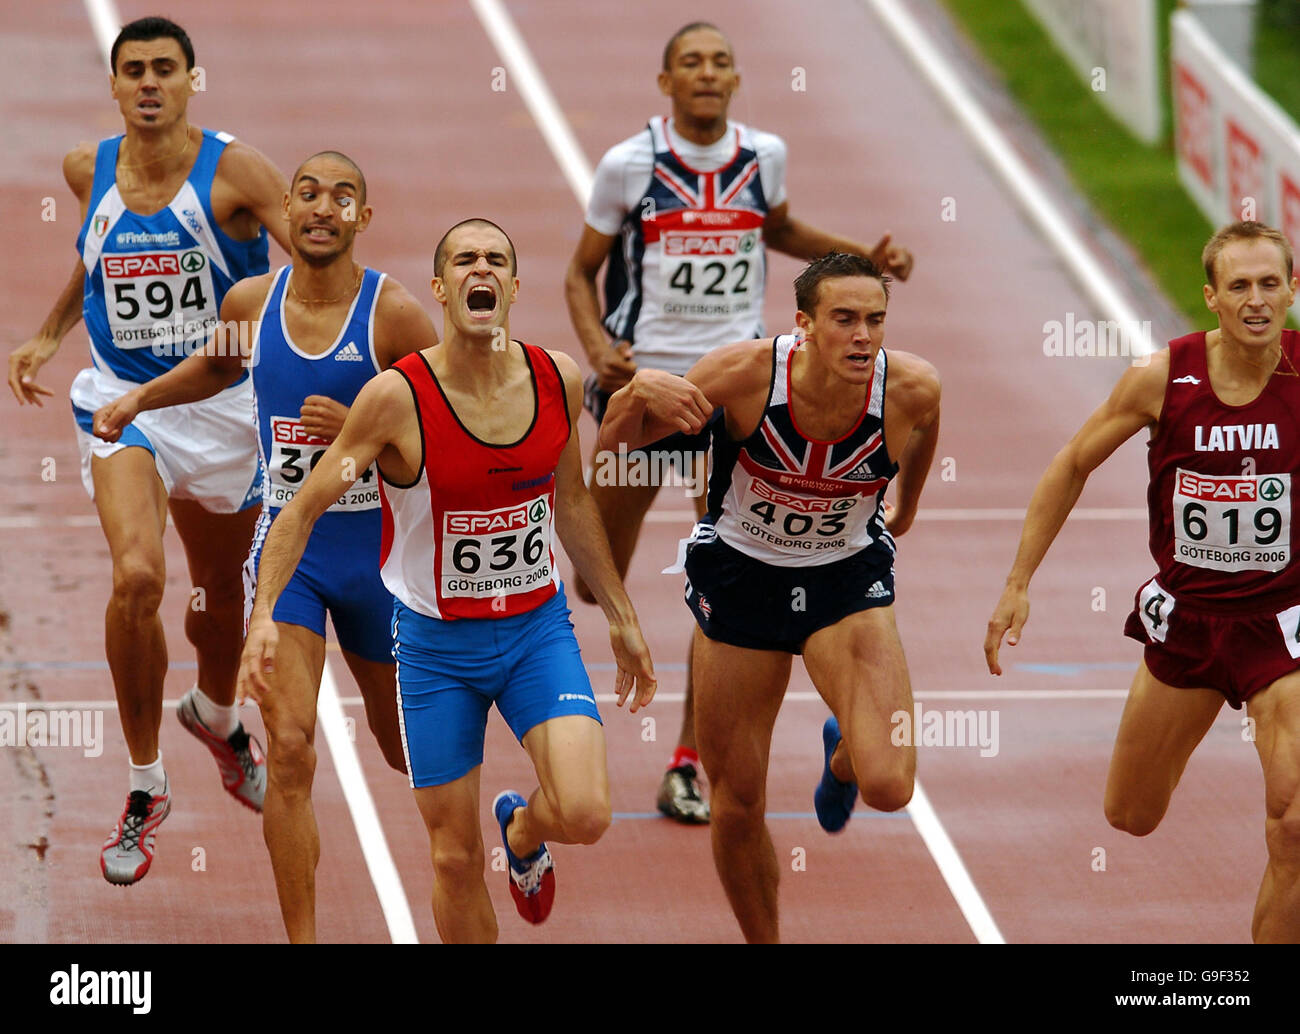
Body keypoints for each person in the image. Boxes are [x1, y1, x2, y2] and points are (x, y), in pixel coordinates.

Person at [238, 218, 657, 942]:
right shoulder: (395, 400)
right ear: (440, 287)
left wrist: (620, 613)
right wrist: (263, 614)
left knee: (586, 812)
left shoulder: (557, 377)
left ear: (514, 287)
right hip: (436, 650)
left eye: (496, 259)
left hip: (536, 633)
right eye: (464, 260)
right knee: (455, 858)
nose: (480, 270)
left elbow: (573, 499)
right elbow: (301, 508)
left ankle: (524, 832)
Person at [565, 20, 916, 823]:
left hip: (734, 396)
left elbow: (780, 230)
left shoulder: (764, 155)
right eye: (690, 61)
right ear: (667, 82)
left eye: (721, 62)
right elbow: (579, 274)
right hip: (654, 388)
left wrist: (864, 258)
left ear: (734, 79)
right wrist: (601, 353)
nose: (708, 73)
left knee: (720, 567)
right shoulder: (630, 165)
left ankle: (688, 761)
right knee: (591, 579)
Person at [94, 151, 439, 940]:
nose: (323, 208)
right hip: (294, 561)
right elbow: (215, 366)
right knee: (289, 749)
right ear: (289, 209)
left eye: (342, 196)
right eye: (308, 194)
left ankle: (499, 830)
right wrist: (140, 398)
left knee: (405, 754)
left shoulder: (396, 317)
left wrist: (362, 437)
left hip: (381, 564)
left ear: (363, 218)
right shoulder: (254, 299)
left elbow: (442, 430)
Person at [6, 16, 291, 885]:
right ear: (116, 85)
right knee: (137, 578)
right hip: (124, 407)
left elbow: (314, 262)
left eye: (166, 69)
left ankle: (214, 715)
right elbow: (97, 259)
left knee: (220, 614)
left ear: (192, 81)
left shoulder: (236, 174)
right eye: (133, 71)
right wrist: (50, 336)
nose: (149, 83)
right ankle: (144, 785)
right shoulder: (87, 170)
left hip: (226, 407)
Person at [599, 251, 941, 943]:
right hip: (742, 580)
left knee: (889, 785)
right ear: (804, 324)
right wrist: (635, 397)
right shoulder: (743, 376)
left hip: (844, 580)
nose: (862, 337)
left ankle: (842, 750)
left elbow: (925, 431)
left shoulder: (911, 387)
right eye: (843, 320)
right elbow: (613, 453)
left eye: (875, 320)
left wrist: (905, 507)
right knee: (735, 805)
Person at [985, 220, 1300, 943]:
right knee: (1130, 814)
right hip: (1188, 625)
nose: (1257, 300)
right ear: (1211, 298)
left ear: (1291, 290)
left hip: (1285, 630)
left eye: (1270, 284)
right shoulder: (1164, 377)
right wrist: (1018, 582)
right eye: (1240, 286)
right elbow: (1071, 464)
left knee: (1293, 824)